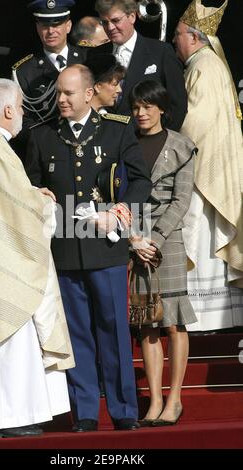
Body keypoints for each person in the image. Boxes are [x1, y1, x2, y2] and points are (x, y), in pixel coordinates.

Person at [25, 64, 152, 432]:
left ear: (88, 93)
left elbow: (141, 181)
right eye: (58, 94)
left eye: (67, 93)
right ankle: (84, 413)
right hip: (64, 250)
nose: (60, 100)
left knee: (112, 329)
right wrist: (34, 192)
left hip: (106, 249)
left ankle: (124, 410)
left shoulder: (116, 128)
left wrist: (121, 213)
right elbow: (28, 184)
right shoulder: (42, 135)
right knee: (77, 333)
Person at [0, 79, 74, 438]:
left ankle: (1, 417)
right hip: (7, 267)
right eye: (20, 107)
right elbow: (20, 209)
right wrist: (44, 202)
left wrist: (29, 193)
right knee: (12, 340)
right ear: (7, 110)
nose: (21, 114)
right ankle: (12, 418)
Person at [129, 79, 197, 426]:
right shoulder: (125, 144)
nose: (141, 113)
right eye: (136, 106)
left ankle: (175, 399)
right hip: (132, 239)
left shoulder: (182, 146)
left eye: (147, 106)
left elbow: (181, 201)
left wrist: (154, 238)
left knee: (173, 321)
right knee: (147, 323)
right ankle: (154, 402)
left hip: (166, 241)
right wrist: (133, 238)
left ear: (161, 109)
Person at [174, 0, 243, 331]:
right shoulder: (211, 65)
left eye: (177, 34)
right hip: (215, 161)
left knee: (199, 232)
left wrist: (170, 146)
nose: (174, 41)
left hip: (203, 169)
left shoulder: (202, 66)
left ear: (192, 36)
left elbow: (197, 121)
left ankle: (203, 318)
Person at [94, 0, 187, 131]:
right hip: (104, 142)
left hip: (145, 142)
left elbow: (177, 105)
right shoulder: (95, 54)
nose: (110, 28)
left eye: (115, 20)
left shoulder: (161, 52)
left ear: (132, 16)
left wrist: (159, 141)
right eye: (104, 22)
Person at [12, 0, 87, 129]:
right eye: (45, 26)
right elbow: (22, 120)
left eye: (57, 24)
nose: (51, 31)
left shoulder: (86, 57)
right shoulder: (24, 71)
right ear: (37, 28)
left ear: (68, 26)